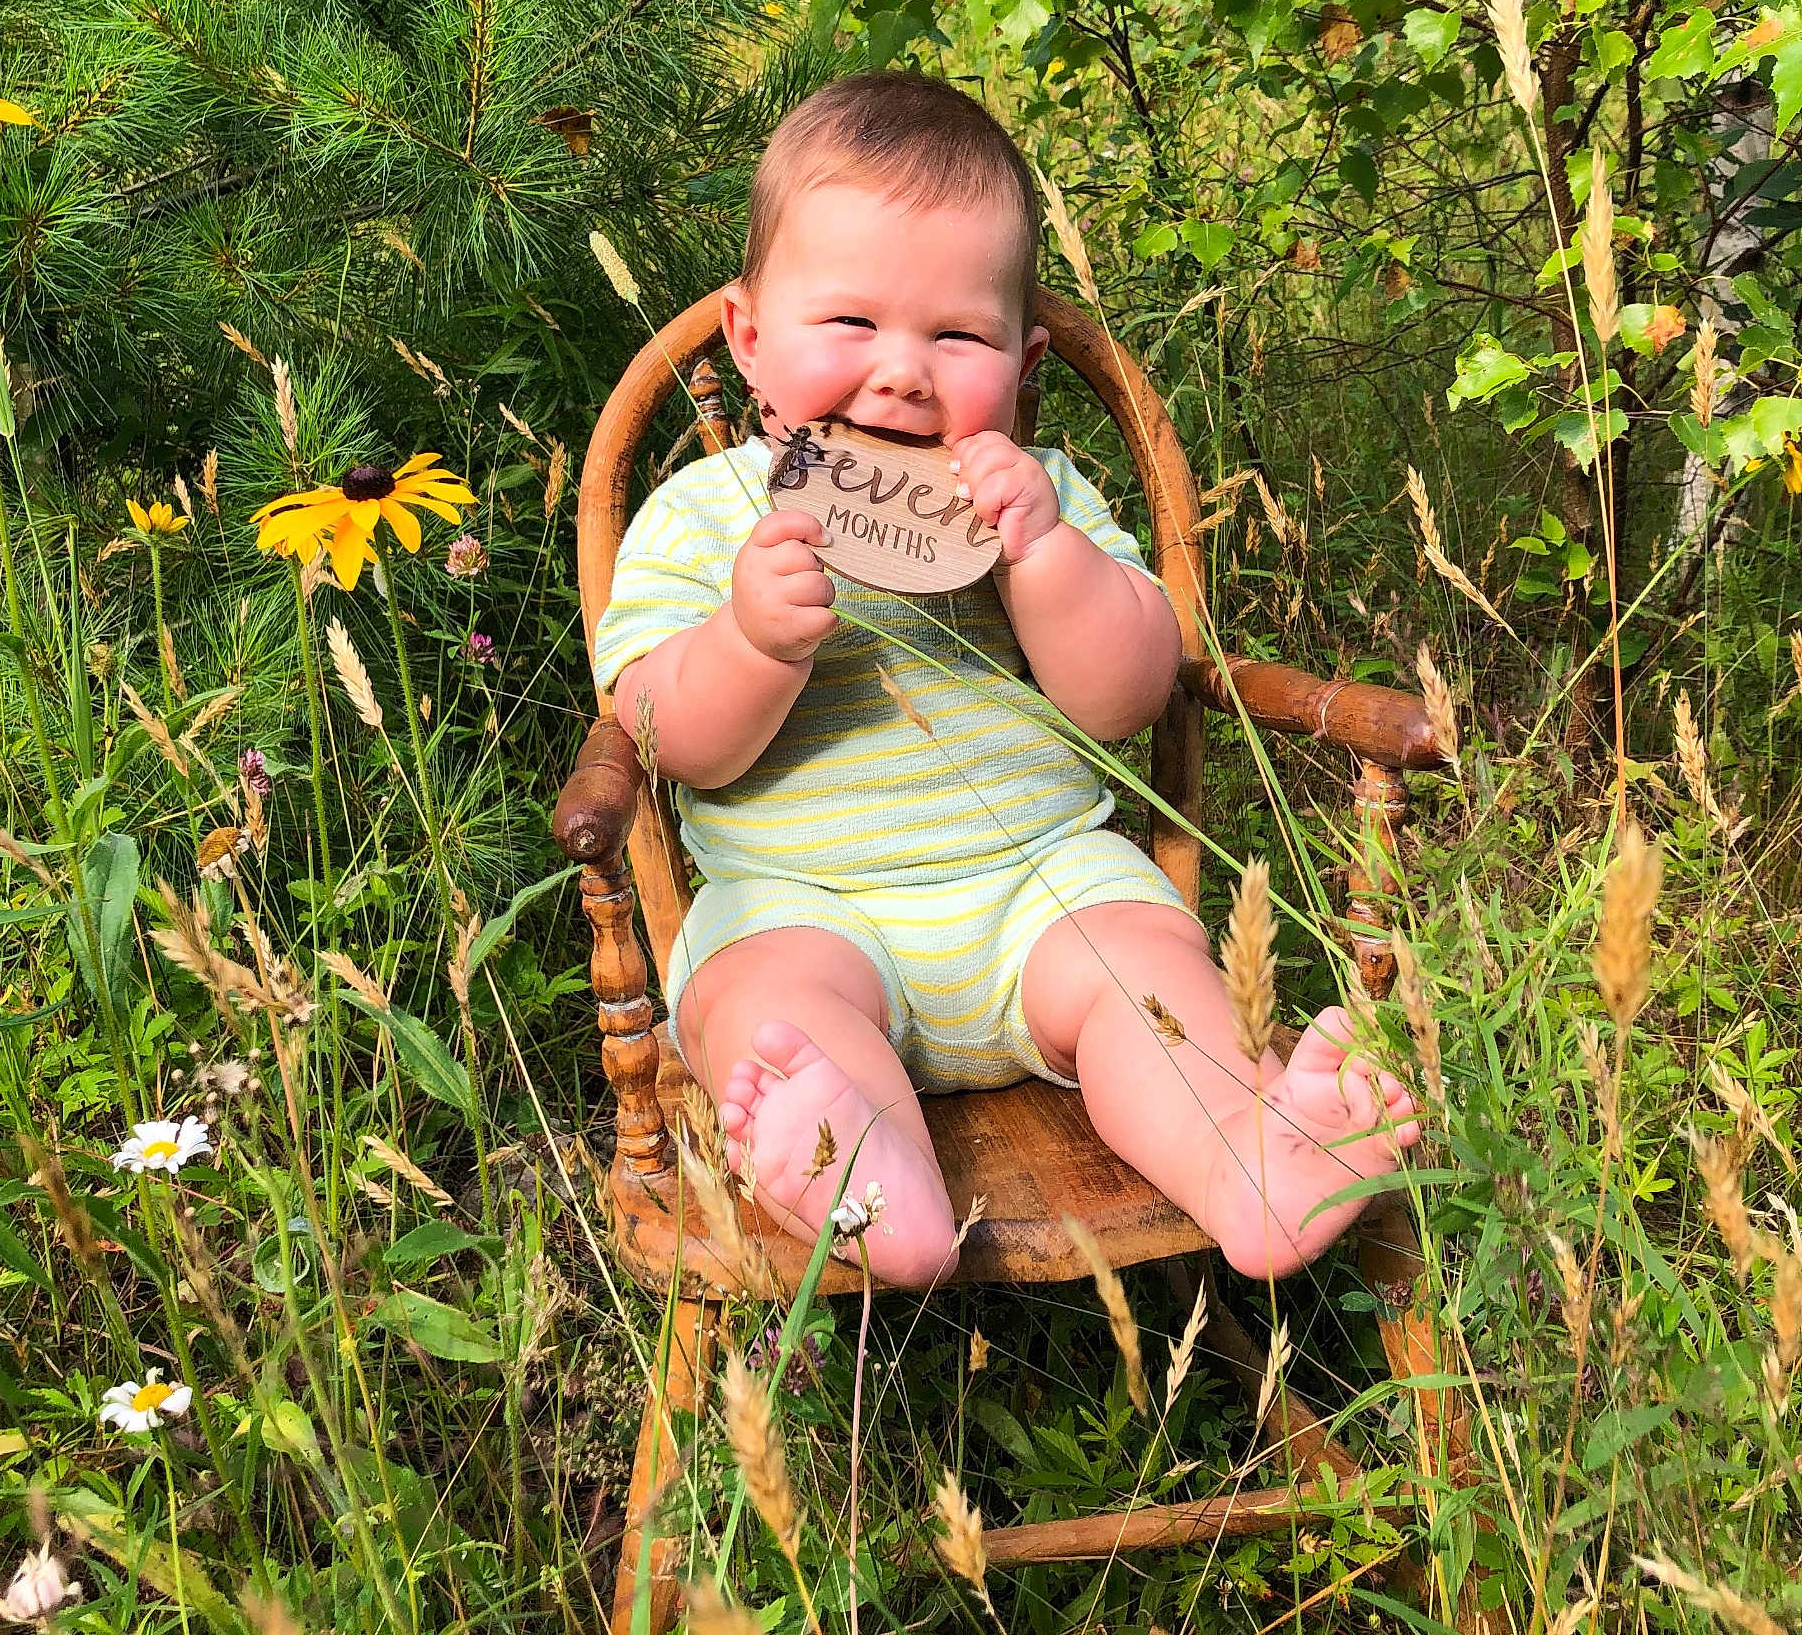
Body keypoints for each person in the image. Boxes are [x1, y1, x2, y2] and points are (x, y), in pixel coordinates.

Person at [597, 72, 1418, 1289]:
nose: (904, 374)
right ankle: (867, 1183)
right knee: (764, 1003)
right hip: (804, 903)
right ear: (749, 336)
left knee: (1147, 977)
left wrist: (1043, 560)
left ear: (1025, 360)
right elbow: (665, 736)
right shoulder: (703, 516)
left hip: (1043, 892)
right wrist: (750, 645)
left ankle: (1257, 1164)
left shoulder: (1043, 497)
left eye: (959, 336)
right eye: (851, 324)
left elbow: (1129, 692)